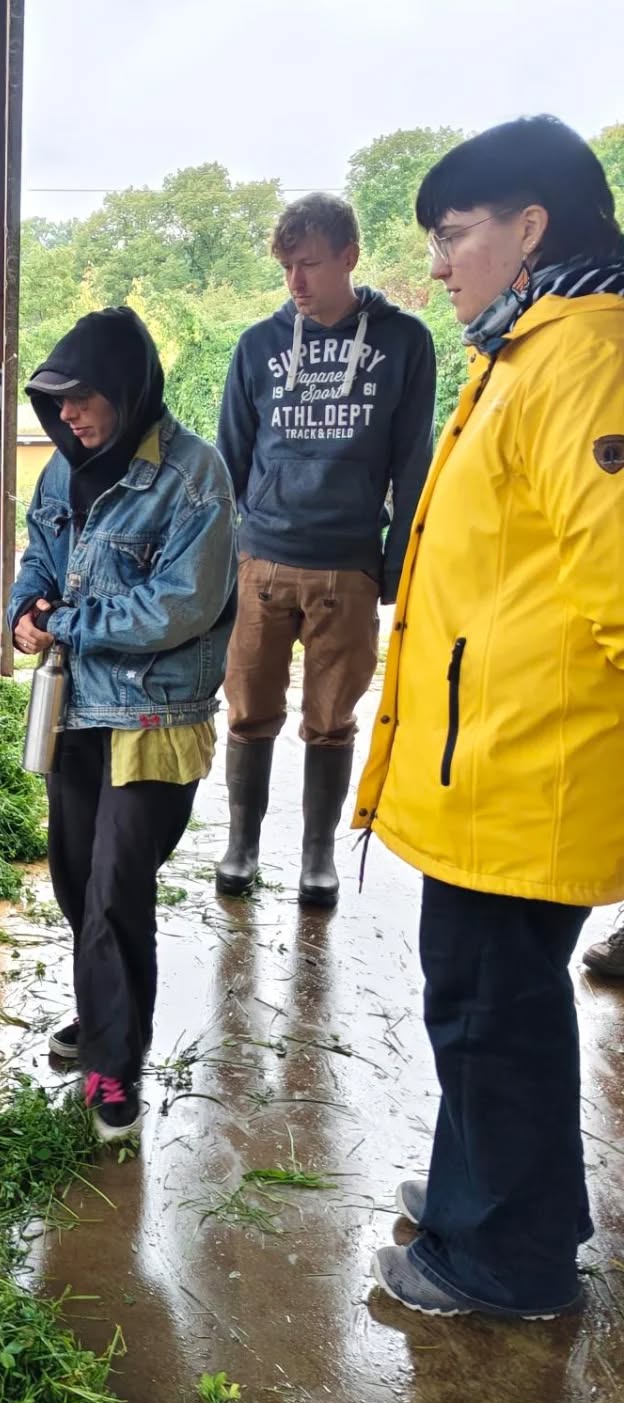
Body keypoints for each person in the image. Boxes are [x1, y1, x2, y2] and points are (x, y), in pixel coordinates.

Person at [354, 115, 624, 1319]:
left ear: (532, 226)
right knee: (483, 1004)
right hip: (496, 763)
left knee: (491, 1011)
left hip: (531, 768)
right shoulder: (525, 349)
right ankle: (495, 1197)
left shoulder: (585, 356)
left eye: (454, 234)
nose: (439, 263)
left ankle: (502, 1262)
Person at [9, 307, 237, 1143]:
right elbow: (37, 562)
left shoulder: (193, 477)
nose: (67, 416)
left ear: (129, 389)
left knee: (114, 887)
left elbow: (182, 605)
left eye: (82, 399)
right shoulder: (60, 474)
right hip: (75, 710)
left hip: (153, 714)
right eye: (55, 402)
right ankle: (101, 1016)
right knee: (74, 877)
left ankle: (115, 1063)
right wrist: (22, 613)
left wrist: (64, 622)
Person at [215, 194, 437, 906]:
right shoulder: (257, 345)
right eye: (286, 268)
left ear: (349, 256)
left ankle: (317, 855)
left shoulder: (405, 342)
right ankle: (241, 845)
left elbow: (413, 463)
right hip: (265, 560)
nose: (296, 283)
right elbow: (231, 457)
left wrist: (396, 564)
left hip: (348, 563)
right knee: (248, 708)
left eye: (309, 264)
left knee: (332, 717)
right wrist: (231, 558)